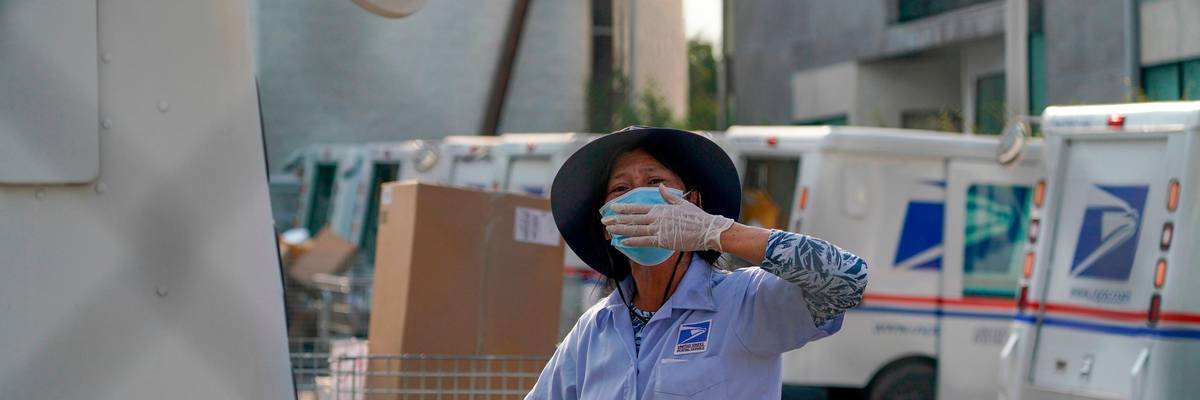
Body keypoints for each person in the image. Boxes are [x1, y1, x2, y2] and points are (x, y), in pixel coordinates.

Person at [528, 126, 868, 399]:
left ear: (693, 204)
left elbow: (848, 278)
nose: (636, 197)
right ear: (605, 225)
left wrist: (718, 230)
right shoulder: (594, 329)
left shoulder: (744, 302)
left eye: (655, 182)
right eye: (620, 189)